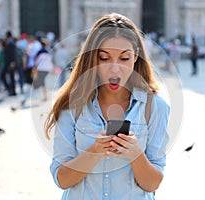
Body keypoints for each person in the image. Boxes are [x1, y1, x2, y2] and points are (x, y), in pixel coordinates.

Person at [45, 13, 170, 199]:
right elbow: (62, 180)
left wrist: (136, 154)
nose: (115, 68)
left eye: (124, 58)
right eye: (104, 58)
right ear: (93, 59)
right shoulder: (72, 105)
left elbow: (152, 183)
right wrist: (95, 150)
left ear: (136, 57)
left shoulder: (155, 107)